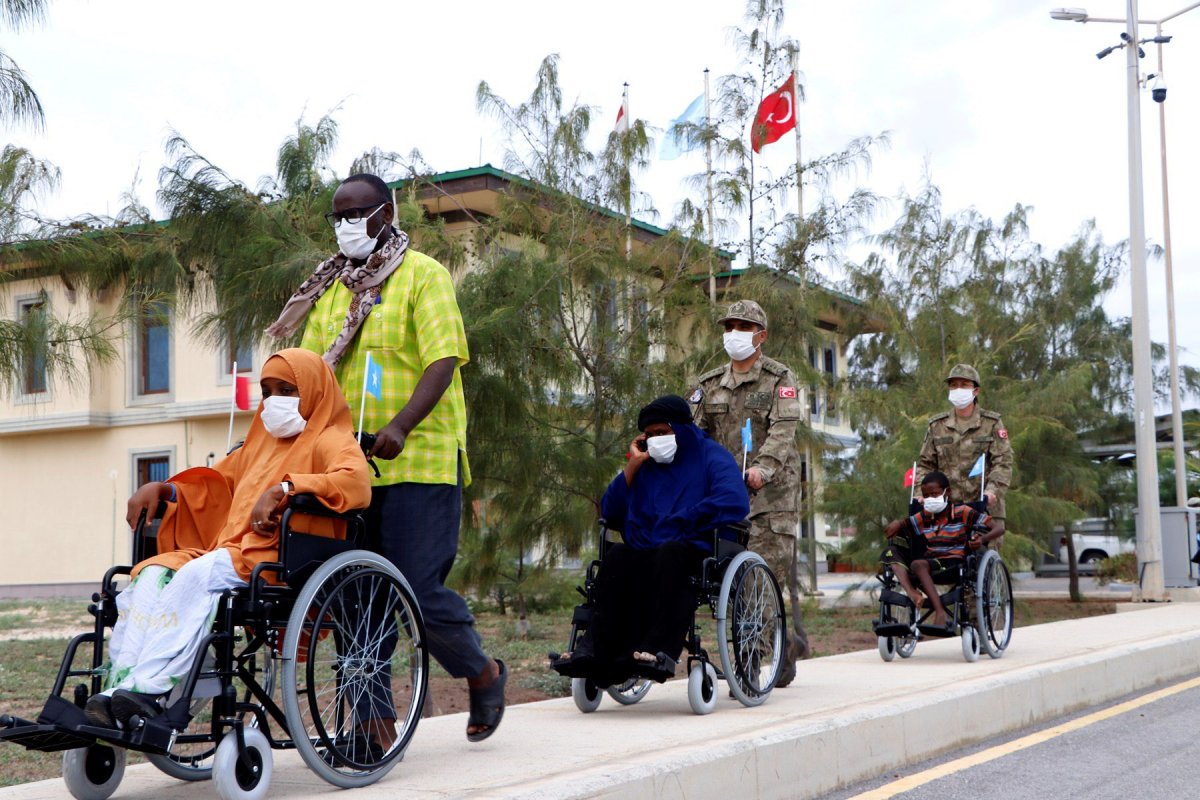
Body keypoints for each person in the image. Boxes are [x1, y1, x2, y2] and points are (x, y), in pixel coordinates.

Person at [267, 173, 506, 744]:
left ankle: (481, 671)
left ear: (387, 212)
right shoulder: (332, 289)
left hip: (417, 458)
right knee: (352, 594)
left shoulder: (424, 276)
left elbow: (444, 360)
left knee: (416, 589)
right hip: (349, 469)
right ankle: (371, 723)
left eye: (357, 213)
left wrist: (400, 425)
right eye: (337, 216)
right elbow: (316, 369)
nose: (346, 225)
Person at [85, 348, 372, 727]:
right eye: (267, 391)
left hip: (277, 558)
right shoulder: (258, 443)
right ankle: (117, 688)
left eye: (286, 389)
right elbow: (215, 486)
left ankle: (149, 688)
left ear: (314, 391)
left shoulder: (332, 439)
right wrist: (164, 491)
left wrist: (287, 487)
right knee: (150, 575)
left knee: (195, 577)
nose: (273, 401)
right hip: (228, 551)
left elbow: (355, 483)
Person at [551, 395, 750, 685]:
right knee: (617, 556)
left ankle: (659, 650)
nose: (657, 440)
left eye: (663, 433)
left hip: (695, 547)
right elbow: (611, 511)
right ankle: (594, 651)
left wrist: (683, 519)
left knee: (669, 554)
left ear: (682, 429)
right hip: (648, 546)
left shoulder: (711, 455)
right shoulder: (647, 464)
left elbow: (733, 499)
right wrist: (633, 464)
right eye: (651, 435)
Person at [689, 299, 804, 686]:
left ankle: (751, 666)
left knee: (758, 578)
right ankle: (784, 647)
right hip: (725, 498)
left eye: (743, 326)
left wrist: (763, 469)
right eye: (729, 326)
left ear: (761, 335)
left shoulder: (780, 379)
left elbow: (783, 433)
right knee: (726, 582)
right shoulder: (708, 385)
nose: (733, 333)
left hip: (771, 499)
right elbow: (694, 437)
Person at [882, 471, 1004, 633]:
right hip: (932, 562)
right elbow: (905, 523)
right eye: (927, 496)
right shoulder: (925, 515)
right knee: (890, 553)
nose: (931, 499)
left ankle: (940, 613)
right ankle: (913, 593)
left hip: (954, 563)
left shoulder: (962, 512)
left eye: (935, 494)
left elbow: (998, 529)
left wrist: (981, 540)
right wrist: (896, 524)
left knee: (918, 564)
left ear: (948, 492)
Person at [917, 364, 1013, 522]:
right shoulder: (937, 425)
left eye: (964, 385)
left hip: (985, 511)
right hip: (946, 512)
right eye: (953, 385)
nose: (958, 389)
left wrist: (991, 492)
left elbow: (1003, 462)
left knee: (985, 548)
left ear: (976, 391)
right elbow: (925, 465)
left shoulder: (991, 423)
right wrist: (921, 493)